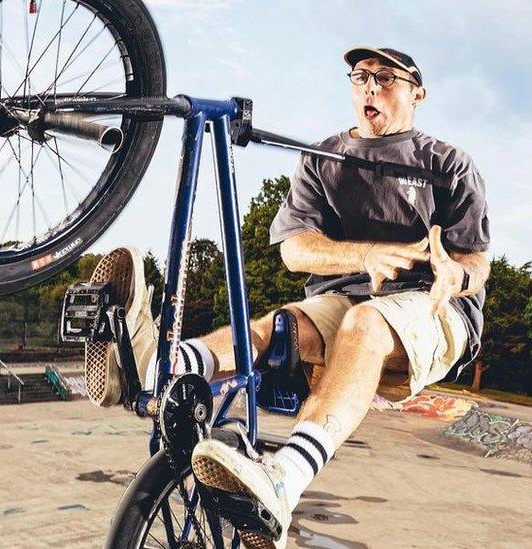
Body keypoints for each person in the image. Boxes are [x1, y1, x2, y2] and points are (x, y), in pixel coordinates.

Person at [87, 46, 491, 548]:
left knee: (365, 324)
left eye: (385, 79)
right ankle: (154, 369)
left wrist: (455, 273)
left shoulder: (447, 163)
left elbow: (477, 261)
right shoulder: (324, 159)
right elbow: (296, 250)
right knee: (273, 328)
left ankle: (284, 481)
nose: (370, 88)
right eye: (361, 77)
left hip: (431, 307)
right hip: (343, 296)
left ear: (417, 93)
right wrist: (365, 256)